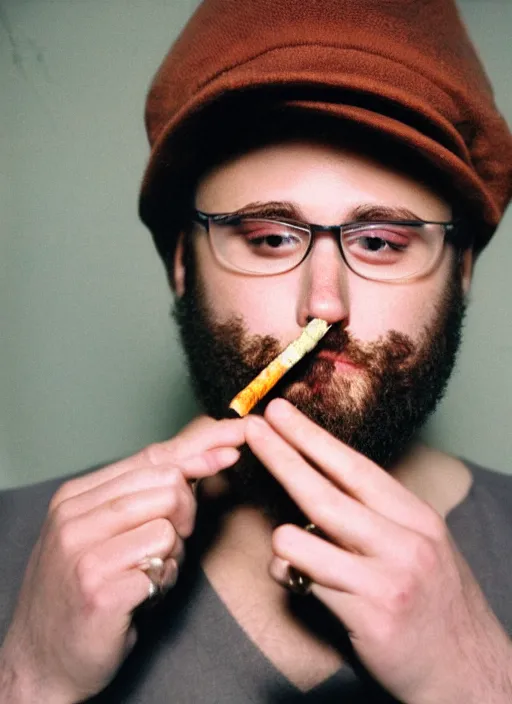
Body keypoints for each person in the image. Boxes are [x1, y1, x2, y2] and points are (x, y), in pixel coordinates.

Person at [1, 0, 512, 701]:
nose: (324, 306)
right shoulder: (14, 545)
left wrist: (484, 680)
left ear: (461, 272)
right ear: (183, 262)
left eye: (381, 242)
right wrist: (26, 678)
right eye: (270, 237)